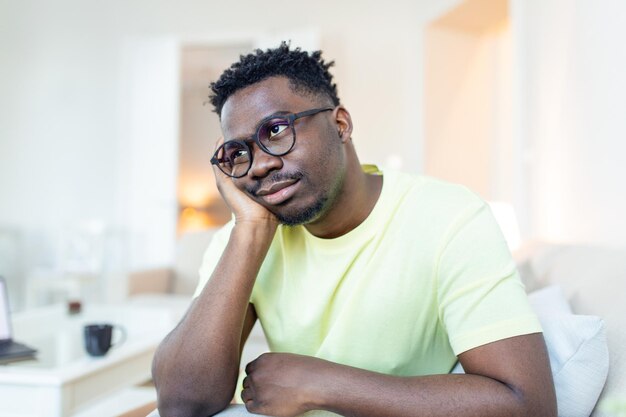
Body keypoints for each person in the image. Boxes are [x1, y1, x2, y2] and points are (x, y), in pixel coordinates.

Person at [152, 43, 557, 417]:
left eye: (276, 130)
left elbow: (527, 403)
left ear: (341, 124)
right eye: (239, 152)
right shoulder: (243, 238)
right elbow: (181, 404)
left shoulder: (448, 216)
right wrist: (251, 232)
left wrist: (322, 383)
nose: (259, 166)